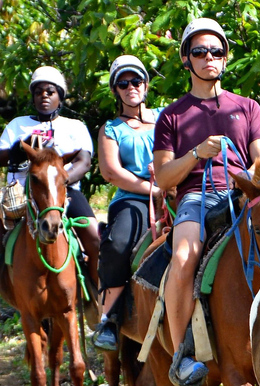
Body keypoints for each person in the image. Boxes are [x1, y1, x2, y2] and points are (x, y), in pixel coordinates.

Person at [154, 18, 260, 386]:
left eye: (216, 51)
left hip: (242, 195)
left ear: (226, 58)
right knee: (183, 257)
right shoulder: (172, 115)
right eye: (199, 52)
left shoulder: (247, 108)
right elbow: (164, 178)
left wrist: (249, 175)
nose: (208, 57)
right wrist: (196, 154)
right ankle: (182, 353)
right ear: (187, 60)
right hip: (195, 198)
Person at [0, 66, 100, 313]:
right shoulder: (16, 125)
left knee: (95, 236)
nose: (44, 95)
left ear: (60, 96)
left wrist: (60, 183)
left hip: (63, 193)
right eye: (39, 92)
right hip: (21, 192)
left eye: (51, 91)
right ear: (33, 97)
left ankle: (100, 297)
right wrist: (15, 149)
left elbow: (84, 161)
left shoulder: (74, 126)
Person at [92, 55, 164, 351]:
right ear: (116, 91)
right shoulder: (111, 129)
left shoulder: (165, 116)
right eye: (123, 83)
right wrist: (150, 188)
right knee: (118, 244)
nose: (131, 87)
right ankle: (108, 317)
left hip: (175, 190)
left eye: (136, 80)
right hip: (133, 199)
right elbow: (111, 171)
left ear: (146, 85)